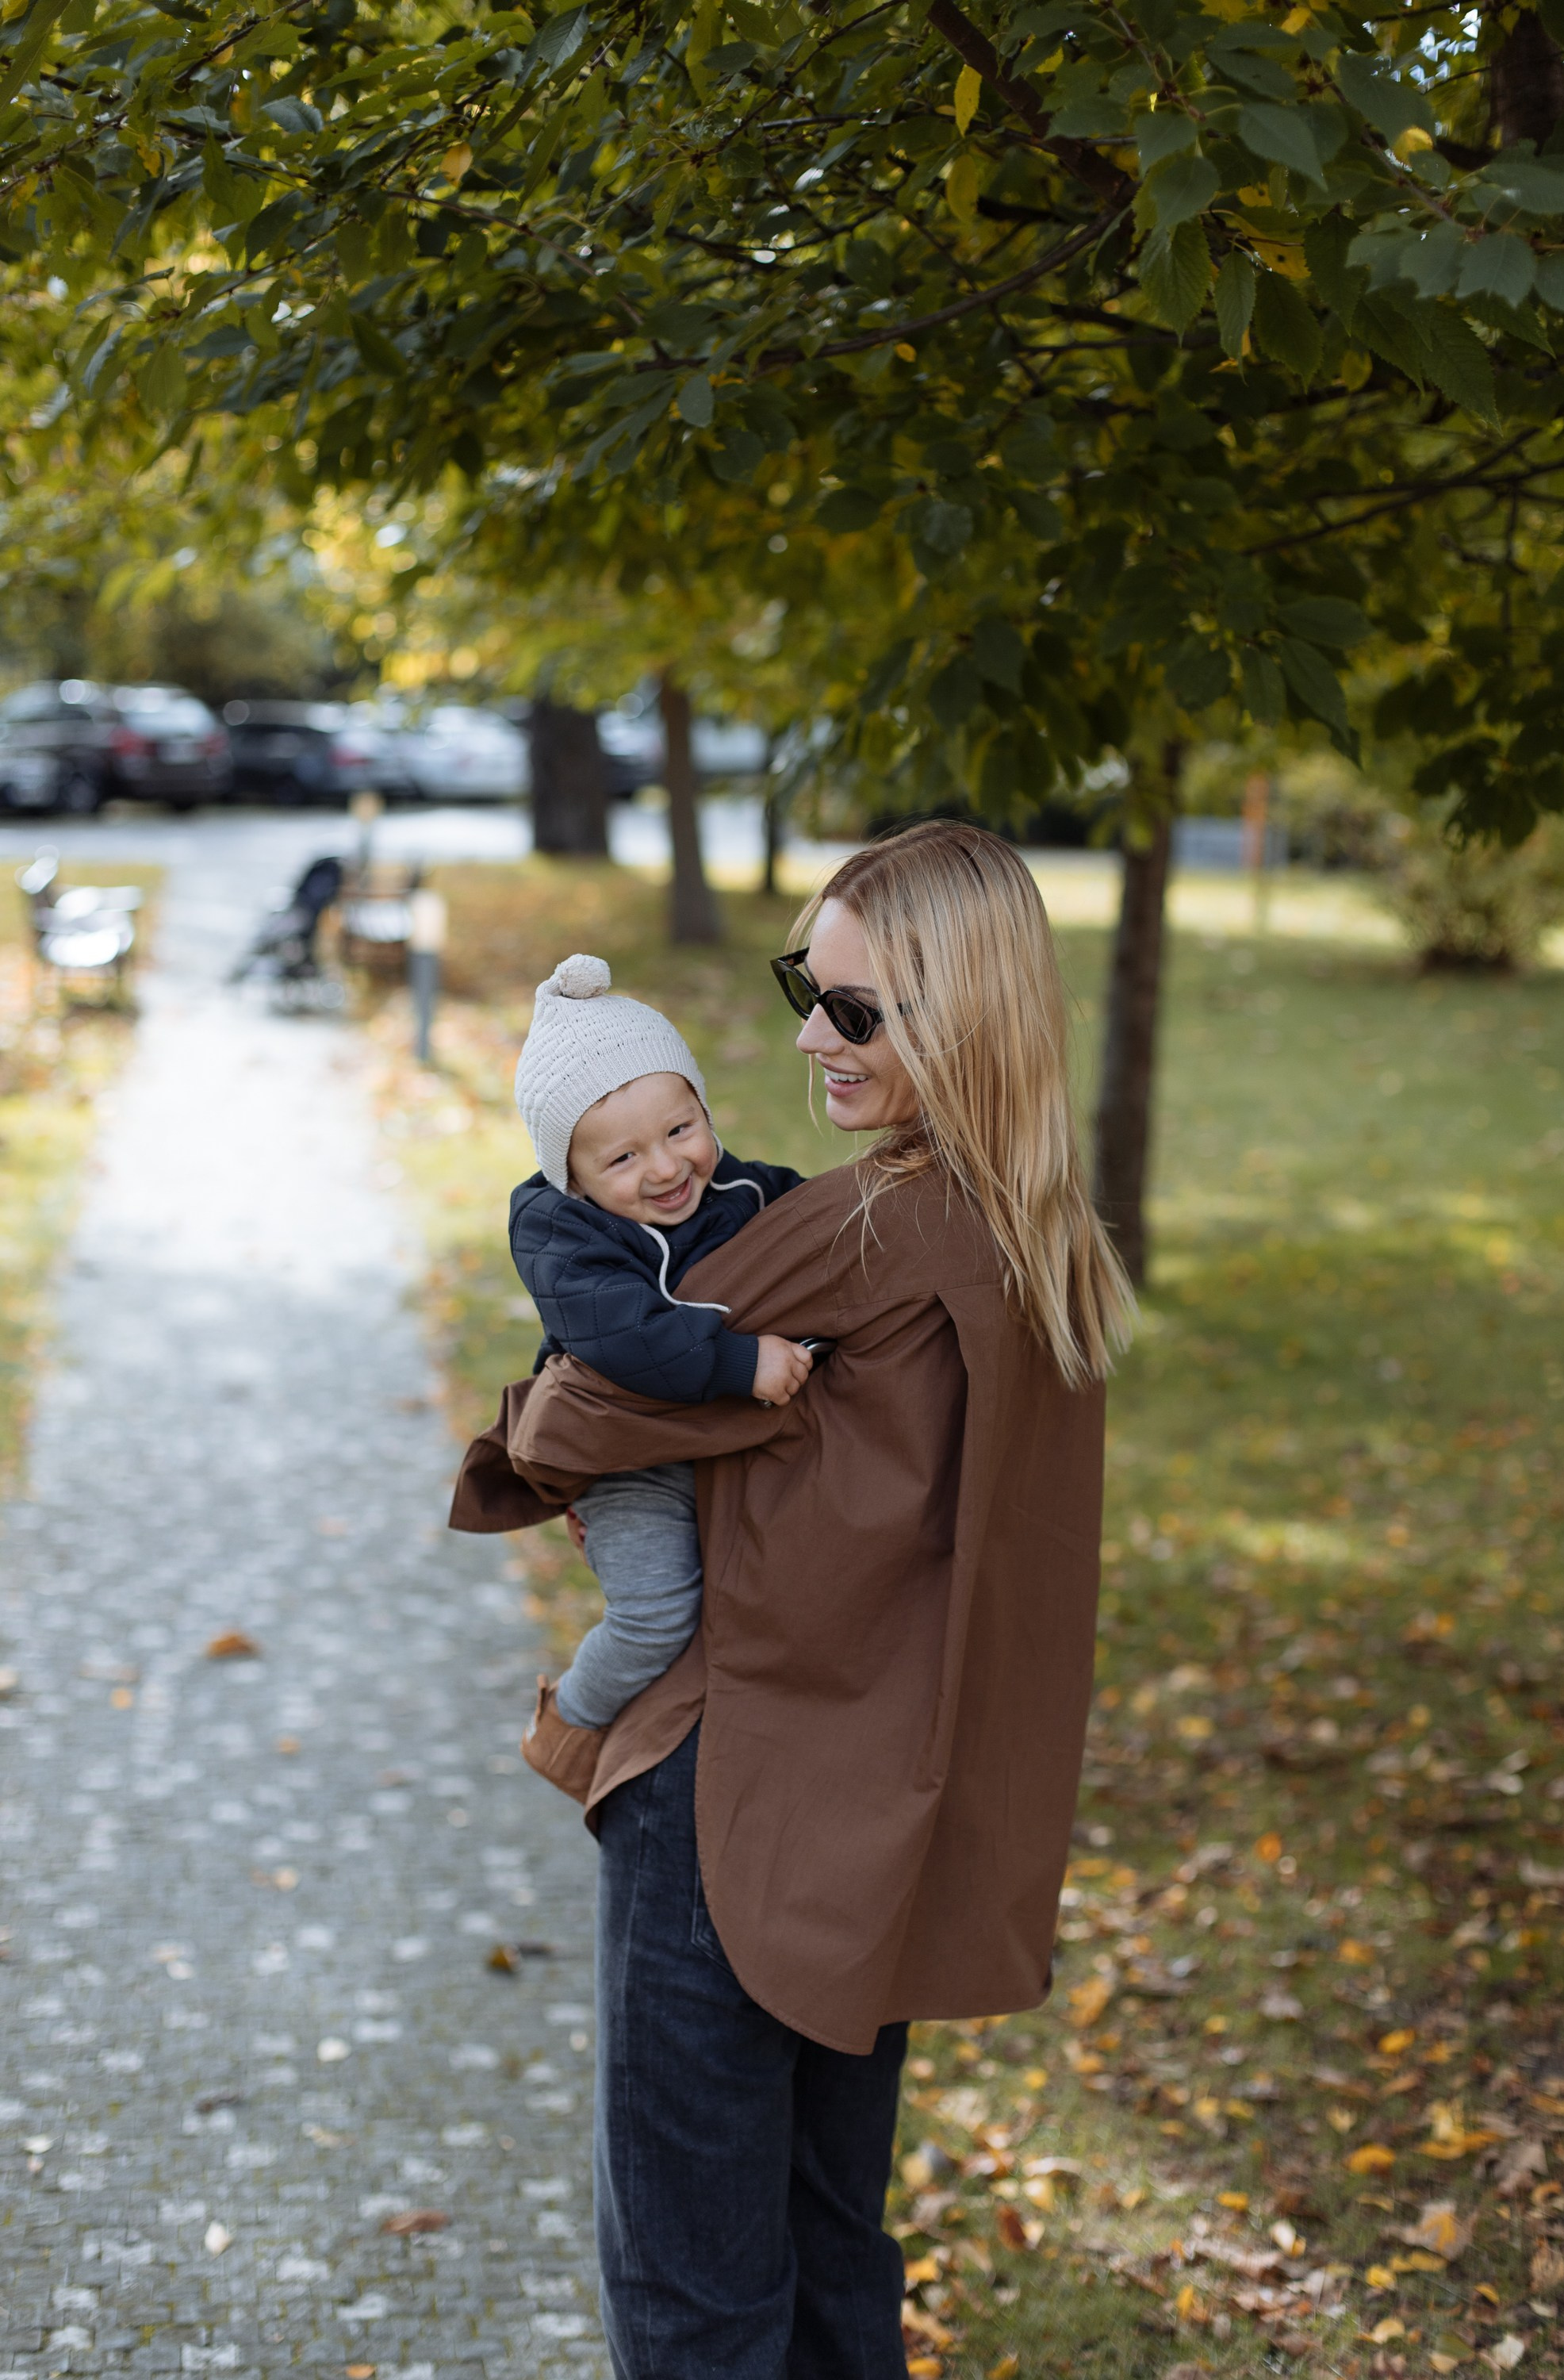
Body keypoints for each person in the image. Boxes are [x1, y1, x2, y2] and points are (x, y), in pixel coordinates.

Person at [451, 822, 1133, 2380]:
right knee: (832, 2251)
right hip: (883, 1793)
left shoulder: (853, 1233)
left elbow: (570, 1411)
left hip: (731, 1782)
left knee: (696, 2282)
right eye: (802, 992)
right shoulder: (1033, 1230)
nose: (811, 1037)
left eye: (857, 1011)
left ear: (956, 1014)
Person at [508, 952, 811, 1794]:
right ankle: (570, 1722)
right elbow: (631, 1339)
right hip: (627, 1458)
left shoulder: (740, 1189)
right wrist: (739, 1359)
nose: (666, 1169)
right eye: (623, 1160)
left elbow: (820, 1228)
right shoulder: (561, 1239)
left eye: (681, 1131)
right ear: (572, 1178)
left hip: (715, 1444)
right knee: (655, 1616)